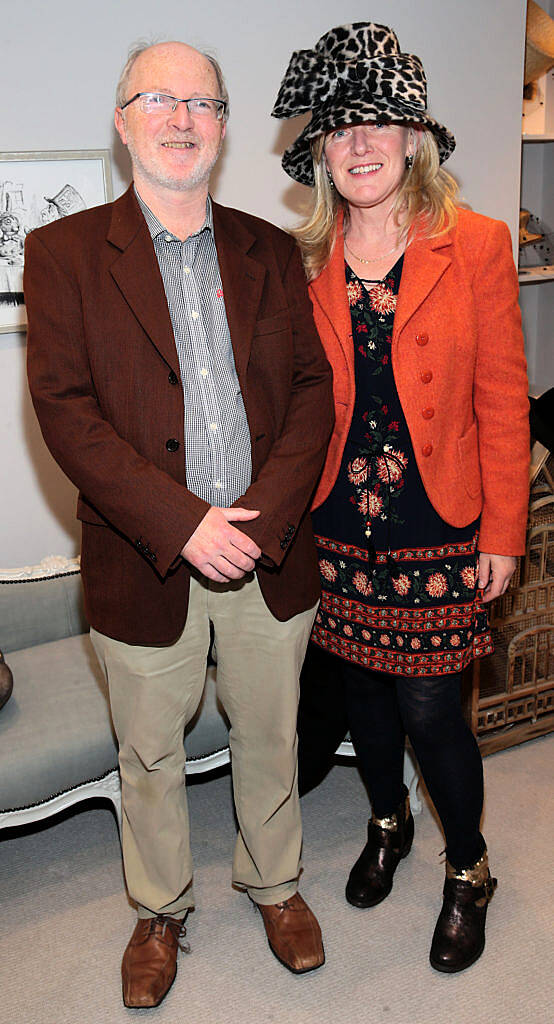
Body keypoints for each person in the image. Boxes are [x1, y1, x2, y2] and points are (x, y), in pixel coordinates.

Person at [25, 40, 333, 1008]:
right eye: (157, 98)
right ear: (122, 122)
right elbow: (66, 410)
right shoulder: (63, 255)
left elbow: (309, 392)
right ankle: (159, 907)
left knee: (269, 732)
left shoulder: (269, 249)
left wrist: (260, 516)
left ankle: (273, 883)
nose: (181, 117)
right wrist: (187, 522)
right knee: (150, 752)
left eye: (201, 102)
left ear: (222, 126)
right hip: (143, 559)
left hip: (267, 554)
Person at [272, 22, 530, 973]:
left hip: (441, 522)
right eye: (341, 127)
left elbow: (505, 399)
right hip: (340, 526)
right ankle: (387, 824)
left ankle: (469, 870)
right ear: (321, 153)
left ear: (415, 137)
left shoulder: (478, 245)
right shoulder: (302, 263)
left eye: (381, 121)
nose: (362, 142)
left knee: (431, 713)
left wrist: (505, 526)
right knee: (366, 703)